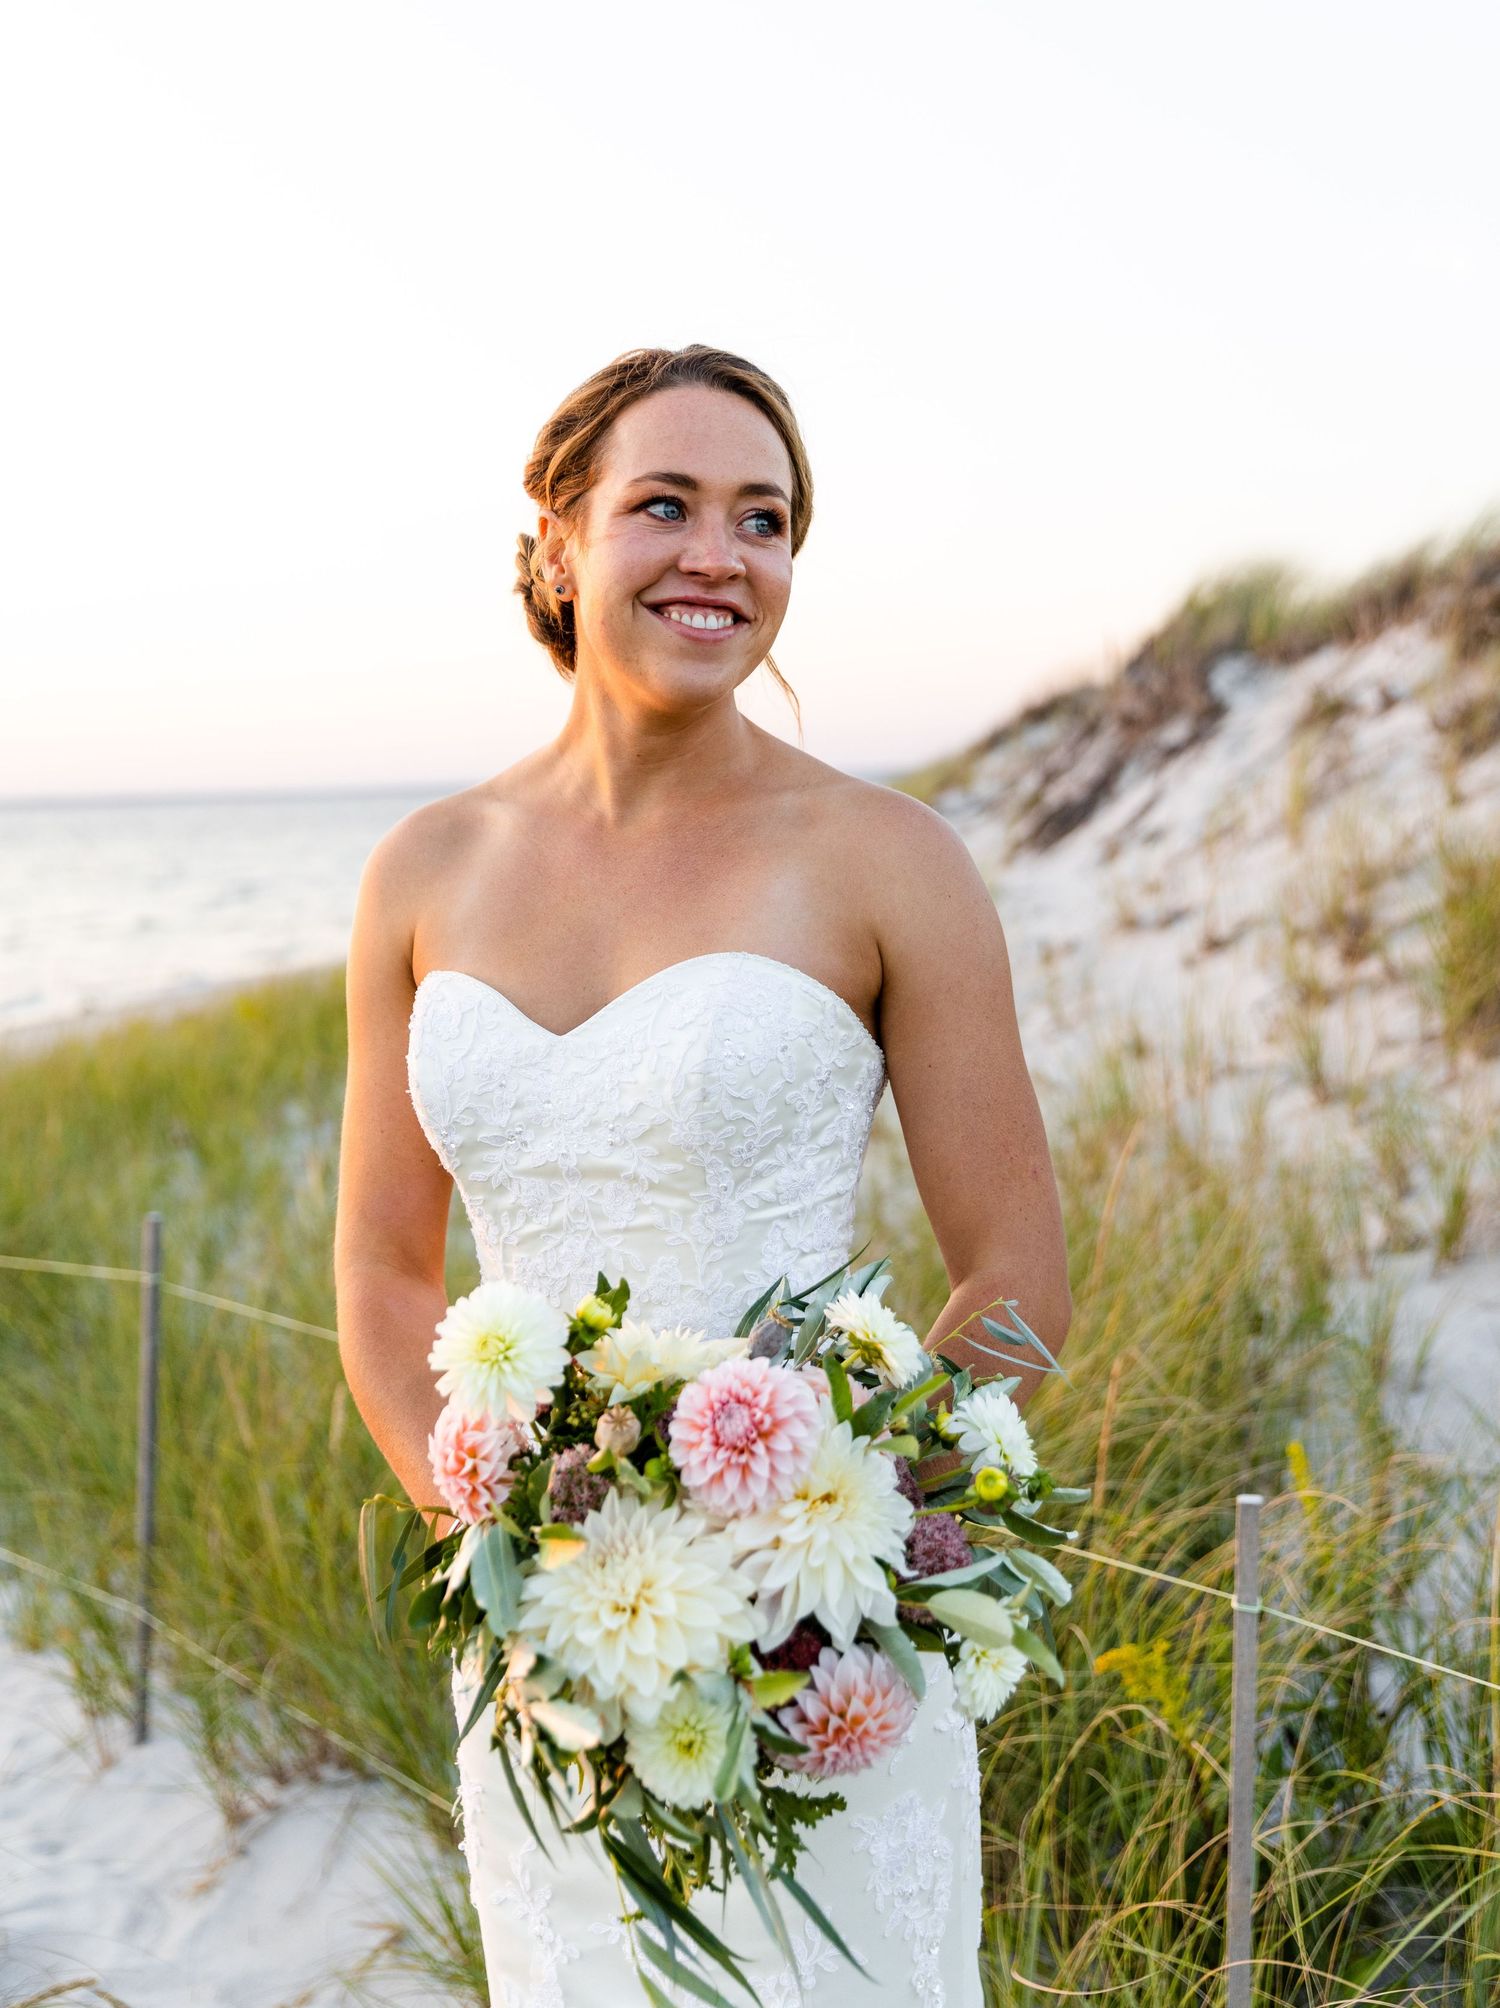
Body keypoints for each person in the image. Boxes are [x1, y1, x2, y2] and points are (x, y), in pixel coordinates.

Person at [334, 343, 1072, 2006]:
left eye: (767, 519)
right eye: (664, 504)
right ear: (558, 536)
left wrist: (855, 1535)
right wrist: (508, 1542)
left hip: (829, 1643)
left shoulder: (892, 862)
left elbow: (1019, 1277)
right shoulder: (422, 872)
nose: (719, 557)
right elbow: (385, 1271)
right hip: (555, 1650)